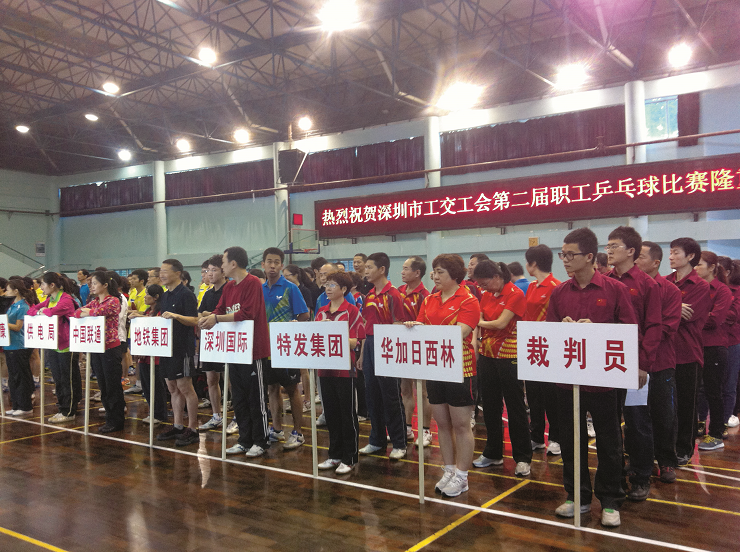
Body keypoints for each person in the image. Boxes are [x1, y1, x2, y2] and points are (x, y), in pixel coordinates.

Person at [547, 227, 637, 528]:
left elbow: (629, 331)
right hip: (568, 380)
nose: (564, 259)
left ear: (589, 256)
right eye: (562, 254)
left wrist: (596, 331)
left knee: (609, 442)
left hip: (603, 379)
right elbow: (549, 332)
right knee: (571, 440)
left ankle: (610, 500)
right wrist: (564, 329)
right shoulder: (560, 292)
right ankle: (577, 496)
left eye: (570, 254)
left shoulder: (614, 290)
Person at [406, 254, 481, 497]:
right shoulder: (429, 300)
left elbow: (461, 332)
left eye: (440, 272)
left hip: (460, 369)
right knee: (442, 424)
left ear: (454, 275)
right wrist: (413, 327)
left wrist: (427, 331)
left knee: (461, 425)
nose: (435, 277)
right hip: (434, 367)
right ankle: (449, 469)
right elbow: (421, 327)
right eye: (434, 272)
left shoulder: (468, 301)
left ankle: (462, 475)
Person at [604, 226, 662, 501]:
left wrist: (642, 365)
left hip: (634, 364)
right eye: (607, 246)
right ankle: (615, 475)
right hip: (607, 363)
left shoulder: (647, 284)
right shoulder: (604, 281)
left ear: (630, 251)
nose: (608, 251)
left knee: (637, 423)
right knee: (610, 423)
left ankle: (641, 476)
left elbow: (653, 327)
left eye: (613, 246)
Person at [199, 247, 271, 458]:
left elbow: (248, 313)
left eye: (223, 261)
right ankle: (244, 440)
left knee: (256, 398)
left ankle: (261, 440)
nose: (221, 265)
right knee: (239, 398)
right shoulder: (229, 287)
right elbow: (220, 310)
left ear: (233, 263)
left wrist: (216, 319)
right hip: (235, 350)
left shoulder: (253, 283)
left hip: (254, 350)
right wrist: (209, 317)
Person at [472, 260, 532, 477]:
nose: (482, 288)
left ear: (497, 277)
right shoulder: (486, 295)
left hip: (509, 355)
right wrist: (480, 324)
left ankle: (522, 458)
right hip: (487, 354)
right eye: (480, 285)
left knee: (515, 407)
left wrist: (479, 322)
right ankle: (493, 452)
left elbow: (500, 323)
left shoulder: (515, 294)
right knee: (490, 406)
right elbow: (482, 318)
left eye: (484, 283)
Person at [635, 241, 682, 483]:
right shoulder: (629, 287)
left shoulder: (670, 291)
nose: (636, 260)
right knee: (636, 416)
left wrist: (637, 337)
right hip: (632, 362)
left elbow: (666, 328)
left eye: (641, 257)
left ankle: (666, 461)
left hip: (660, 362)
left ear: (655, 263)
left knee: (664, 414)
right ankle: (640, 460)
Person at [358, 252, 410, 460]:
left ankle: (399, 442)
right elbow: (365, 326)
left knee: (390, 396)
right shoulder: (369, 295)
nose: (366, 271)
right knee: (372, 395)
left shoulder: (394, 295)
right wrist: (362, 354)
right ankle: (376, 440)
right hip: (370, 345)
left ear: (382, 269)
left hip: (387, 346)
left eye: (369, 267)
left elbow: (400, 324)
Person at [666, 238, 711, 465]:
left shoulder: (700, 286)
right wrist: (674, 308)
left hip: (687, 354)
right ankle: (665, 447)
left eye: (676, 252)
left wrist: (666, 308)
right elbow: (652, 312)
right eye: (670, 252)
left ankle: (684, 449)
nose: (671, 256)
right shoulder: (664, 283)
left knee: (686, 405)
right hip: (664, 353)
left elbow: (687, 317)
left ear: (690, 256)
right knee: (665, 407)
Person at [261, 247, 310, 450]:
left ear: (281, 265)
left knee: (291, 389)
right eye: (269, 262)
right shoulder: (260, 289)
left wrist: (290, 327)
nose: (272, 266)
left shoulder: (291, 288)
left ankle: (298, 432)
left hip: (285, 347)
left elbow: (304, 314)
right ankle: (277, 429)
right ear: (263, 264)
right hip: (266, 348)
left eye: (276, 262)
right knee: (272, 388)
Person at [316, 272, 364, 475]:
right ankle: (334, 454)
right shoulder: (321, 311)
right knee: (331, 413)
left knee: (347, 413)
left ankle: (349, 457)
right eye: (327, 284)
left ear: (344, 289)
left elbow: (355, 341)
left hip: (344, 369)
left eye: (333, 285)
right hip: (324, 367)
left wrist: (334, 331)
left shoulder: (352, 311)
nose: (328, 288)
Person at [155, 259, 200, 447]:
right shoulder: (165, 296)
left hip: (182, 348)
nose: (162, 275)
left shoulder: (186, 294)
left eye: (165, 271)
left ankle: (193, 429)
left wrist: (176, 316)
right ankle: (178, 425)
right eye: (161, 271)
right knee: (172, 388)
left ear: (178, 273)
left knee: (185, 388)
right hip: (166, 348)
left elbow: (194, 320)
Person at [523, 244, 562, 456]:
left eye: (527, 261)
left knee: (551, 396)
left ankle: (556, 437)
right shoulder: (531, 287)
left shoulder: (557, 287)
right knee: (534, 395)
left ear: (534, 263)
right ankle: (536, 436)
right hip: (532, 348)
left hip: (550, 349)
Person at [74, 271, 124, 432]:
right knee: (103, 385)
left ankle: (116, 420)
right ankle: (110, 417)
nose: (92, 286)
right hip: (96, 347)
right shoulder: (95, 301)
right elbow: (77, 312)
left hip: (110, 348)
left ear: (105, 285)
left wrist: (88, 312)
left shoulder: (113, 300)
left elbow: (100, 312)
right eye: (91, 284)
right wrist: (87, 312)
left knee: (112, 386)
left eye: (95, 283)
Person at [30, 272, 82, 424]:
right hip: (53, 344)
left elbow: (51, 312)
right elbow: (31, 310)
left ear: (52, 285)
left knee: (67, 379)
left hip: (67, 345)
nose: (41, 287)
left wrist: (43, 311)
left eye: (42, 284)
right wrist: (40, 311)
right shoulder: (49, 299)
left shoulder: (66, 299)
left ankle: (69, 411)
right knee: (58, 379)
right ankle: (62, 407)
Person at [694, 251, 733, 452]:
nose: (695, 268)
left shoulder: (722, 290)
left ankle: (716, 434)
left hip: (714, 347)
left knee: (713, 392)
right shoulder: (695, 288)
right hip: (694, 345)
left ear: (712, 267)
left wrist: (690, 315)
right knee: (695, 392)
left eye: (699, 264)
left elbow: (714, 319)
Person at [398, 256, 432, 446]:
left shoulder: (425, 295)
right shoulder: (399, 292)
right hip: (403, 348)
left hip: (421, 348)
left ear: (417, 273)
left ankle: (426, 430)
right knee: (405, 390)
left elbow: (426, 322)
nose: (402, 272)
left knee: (424, 392)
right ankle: (407, 428)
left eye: (406, 268)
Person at [195, 255, 229, 431]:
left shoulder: (230, 290)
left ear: (223, 271)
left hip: (228, 341)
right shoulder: (208, 293)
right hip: (210, 341)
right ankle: (216, 415)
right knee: (211, 378)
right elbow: (200, 313)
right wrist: (205, 315)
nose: (210, 274)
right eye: (208, 270)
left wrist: (212, 315)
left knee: (230, 379)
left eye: (214, 270)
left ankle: (237, 417)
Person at [128, 284, 169, 424]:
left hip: (156, 357)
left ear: (156, 297)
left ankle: (159, 414)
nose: (145, 297)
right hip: (144, 356)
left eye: (147, 294)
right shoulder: (147, 311)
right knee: (147, 387)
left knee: (156, 387)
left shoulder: (161, 312)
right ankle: (153, 412)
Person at [3, 278, 34, 416]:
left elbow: (17, 327)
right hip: (9, 345)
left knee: (21, 376)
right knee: (13, 377)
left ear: (16, 291)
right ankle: (16, 405)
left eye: (8, 290)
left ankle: (25, 406)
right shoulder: (12, 305)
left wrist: (3, 322)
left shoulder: (23, 306)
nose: (6, 292)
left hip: (19, 346)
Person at [124, 269, 149, 395]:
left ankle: (145, 385)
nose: (131, 281)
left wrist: (132, 312)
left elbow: (143, 312)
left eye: (134, 279)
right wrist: (132, 312)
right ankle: (139, 384)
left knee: (143, 359)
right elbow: (129, 310)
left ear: (142, 281)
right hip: (132, 330)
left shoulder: (146, 293)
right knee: (136, 358)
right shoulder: (133, 292)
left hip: (143, 330)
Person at [723, 260, 740, 429]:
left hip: (733, 340)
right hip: (713, 341)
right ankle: (702, 420)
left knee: (730, 382)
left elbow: (732, 316)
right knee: (706, 387)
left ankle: (729, 415)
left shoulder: (736, 292)